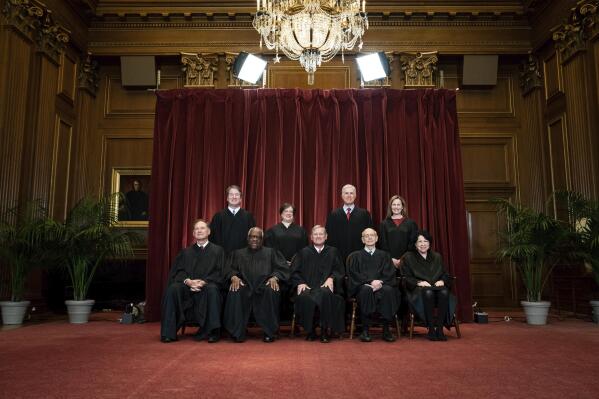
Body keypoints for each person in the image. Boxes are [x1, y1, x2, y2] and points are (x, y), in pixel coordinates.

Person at [160, 219, 225, 343]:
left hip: (207, 285)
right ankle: (168, 333)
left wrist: (203, 282)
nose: (199, 231)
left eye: (202, 228)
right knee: (173, 289)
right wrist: (188, 281)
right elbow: (178, 272)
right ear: (193, 234)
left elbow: (220, 272)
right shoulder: (186, 252)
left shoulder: (218, 251)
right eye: (196, 229)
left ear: (209, 231)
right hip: (188, 287)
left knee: (213, 290)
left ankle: (212, 332)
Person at [223, 227, 290, 343]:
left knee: (272, 290)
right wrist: (234, 277)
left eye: (257, 237)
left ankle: (269, 332)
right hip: (245, 286)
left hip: (264, 286)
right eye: (252, 237)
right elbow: (228, 269)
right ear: (248, 239)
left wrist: (275, 277)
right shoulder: (238, 254)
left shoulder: (271, 253)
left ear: (262, 239)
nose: (255, 239)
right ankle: (237, 332)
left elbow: (282, 268)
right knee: (235, 290)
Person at [290, 225, 345, 343]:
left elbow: (339, 271)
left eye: (321, 234)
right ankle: (311, 330)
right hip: (308, 286)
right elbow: (294, 271)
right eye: (315, 234)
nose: (318, 236)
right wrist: (300, 282)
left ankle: (325, 330)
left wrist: (332, 278)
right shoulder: (303, 252)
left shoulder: (333, 251)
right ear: (311, 237)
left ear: (326, 237)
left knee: (325, 294)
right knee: (305, 296)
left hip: (325, 287)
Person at [401, 230, 456, 341]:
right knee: (428, 292)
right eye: (419, 241)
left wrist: (443, 281)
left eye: (425, 241)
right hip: (417, 290)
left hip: (437, 288)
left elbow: (445, 274)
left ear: (429, 243)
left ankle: (440, 329)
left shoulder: (437, 256)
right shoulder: (408, 257)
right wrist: (418, 282)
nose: (423, 244)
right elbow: (405, 277)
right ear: (415, 244)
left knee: (444, 291)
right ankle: (431, 329)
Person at [347, 228, 399, 342]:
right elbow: (354, 274)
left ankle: (386, 330)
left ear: (376, 238)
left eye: (372, 235)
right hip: (363, 285)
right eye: (366, 236)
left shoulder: (384, 255)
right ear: (362, 239)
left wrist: (380, 282)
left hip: (382, 284)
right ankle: (365, 330)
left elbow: (389, 273)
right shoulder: (355, 256)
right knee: (366, 291)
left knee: (389, 291)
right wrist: (370, 282)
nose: (369, 238)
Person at [325, 184, 373, 263]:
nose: (349, 195)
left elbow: (370, 237)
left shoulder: (364, 214)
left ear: (355, 195)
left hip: (360, 258)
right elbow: (329, 239)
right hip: (338, 258)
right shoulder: (334, 215)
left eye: (351, 193)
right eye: (346, 193)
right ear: (342, 195)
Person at [209, 185, 256, 255]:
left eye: (237, 195)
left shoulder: (248, 217)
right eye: (231, 194)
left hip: (244, 258)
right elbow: (212, 238)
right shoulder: (218, 216)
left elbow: (253, 238)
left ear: (240, 198)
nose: (234, 197)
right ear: (227, 198)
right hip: (222, 258)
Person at [378, 195, 418, 268]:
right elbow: (382, 244)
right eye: (394, 204)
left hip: (407, 261)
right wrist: (391, 259)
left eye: (398, 204)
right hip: (388, 261)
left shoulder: (411, 223)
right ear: (390, 207)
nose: (396, 207)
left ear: (402, 207)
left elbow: (412, 244)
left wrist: (403, 259)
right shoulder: (384, 224)